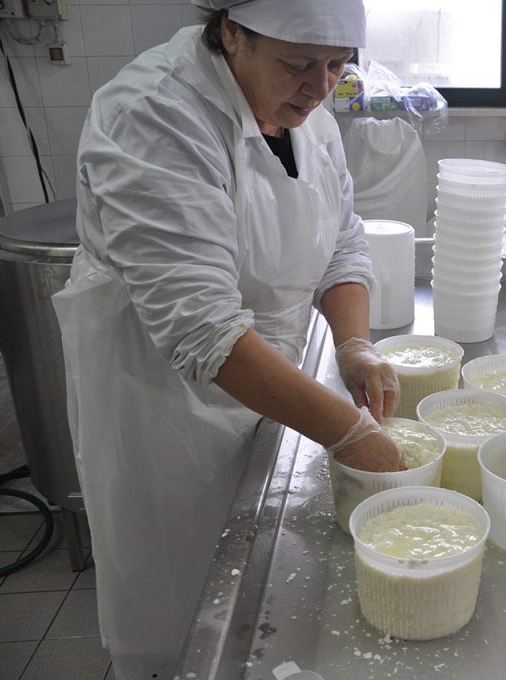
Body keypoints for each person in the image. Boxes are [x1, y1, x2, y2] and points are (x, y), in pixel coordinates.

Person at [52, 1, 404, 677]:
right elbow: (200, 328)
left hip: (269, 391)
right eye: (300, 63)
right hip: (162, 409)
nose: (320, 85)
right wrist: (349, 433)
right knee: (181, 610)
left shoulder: (313, 120)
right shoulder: (152, 115)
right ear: (231, 32)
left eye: (338, 64)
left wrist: (355, 344)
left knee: (260, 595)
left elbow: (342, 241)